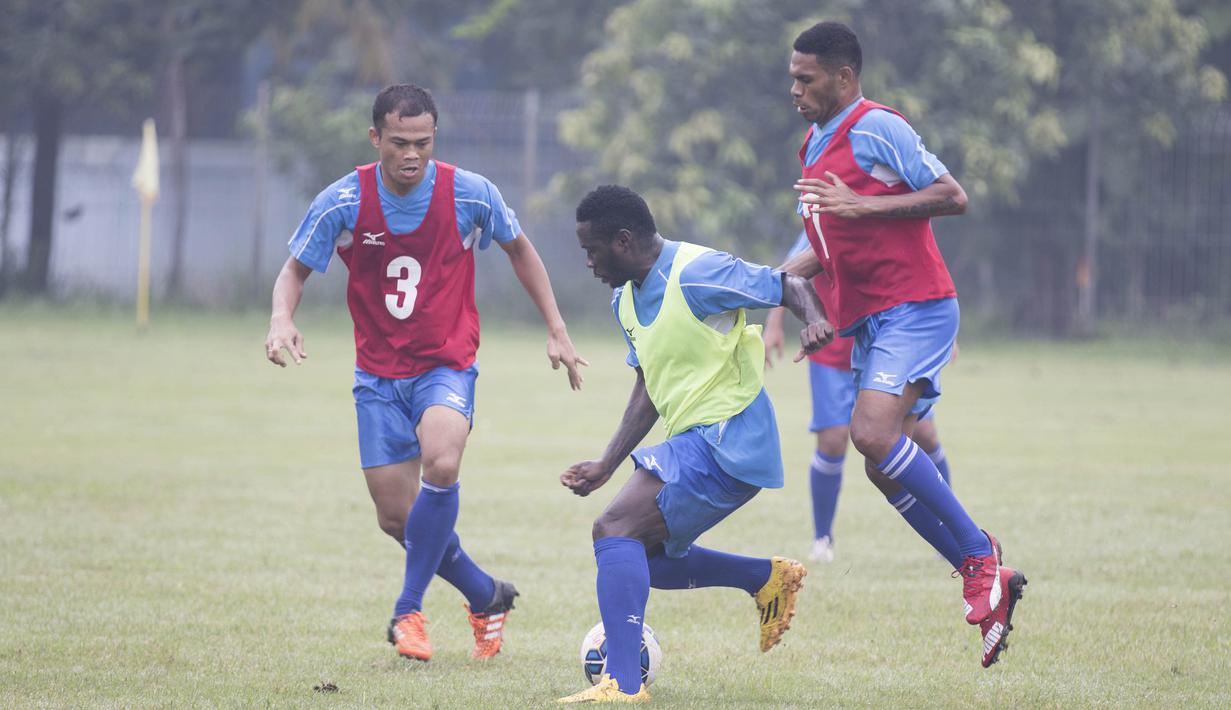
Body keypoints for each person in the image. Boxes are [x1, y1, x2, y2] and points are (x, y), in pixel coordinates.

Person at [264, 84, 587, 663]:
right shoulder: (343, 200)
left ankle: (407, 609)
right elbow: (294, 271)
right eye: (398, 143)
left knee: (442, 459)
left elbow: (521, 250)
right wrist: (281, 318)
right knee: (397, 519)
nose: (411, 154)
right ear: (375, 139)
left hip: (446, 364)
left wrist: (557, 327)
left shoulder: (471, 193)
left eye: (423, 143)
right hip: (378, 376)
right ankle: (487, 595)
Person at [782, 22, 1026, 668]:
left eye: (805, 79)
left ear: (843, 77)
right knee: (876, 461)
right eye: (791, 77)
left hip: (915, 307)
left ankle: (978, 553)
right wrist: (784, 295)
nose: (794, 89)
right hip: (871, 321)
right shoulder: (812, 145)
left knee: (868, 433)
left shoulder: (875, 127)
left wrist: (861, 208)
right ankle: (985, 575)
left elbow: (952, 195)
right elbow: (817, 247)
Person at [556, 185, 834, 703]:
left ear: (622, 240)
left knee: (614, 528)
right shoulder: (625, 301)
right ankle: (766, 578)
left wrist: (816, 321)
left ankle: (622, 682)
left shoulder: (698, 272)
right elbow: (649, 390)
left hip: (731, 435)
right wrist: (606, 464)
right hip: (696, 440)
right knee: (648, 559)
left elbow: (788, 284)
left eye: (592, 250)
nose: (589, 262)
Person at [765, 232, 956, 563]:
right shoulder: (823, 221)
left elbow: (923, 266)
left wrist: (939, 330)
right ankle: (822, 538)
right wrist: (774, 323)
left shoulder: (885, 208)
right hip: (832, 348)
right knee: (833, 441)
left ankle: (952, 529)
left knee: (923, 434)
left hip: (892, 342)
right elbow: (789, 274)